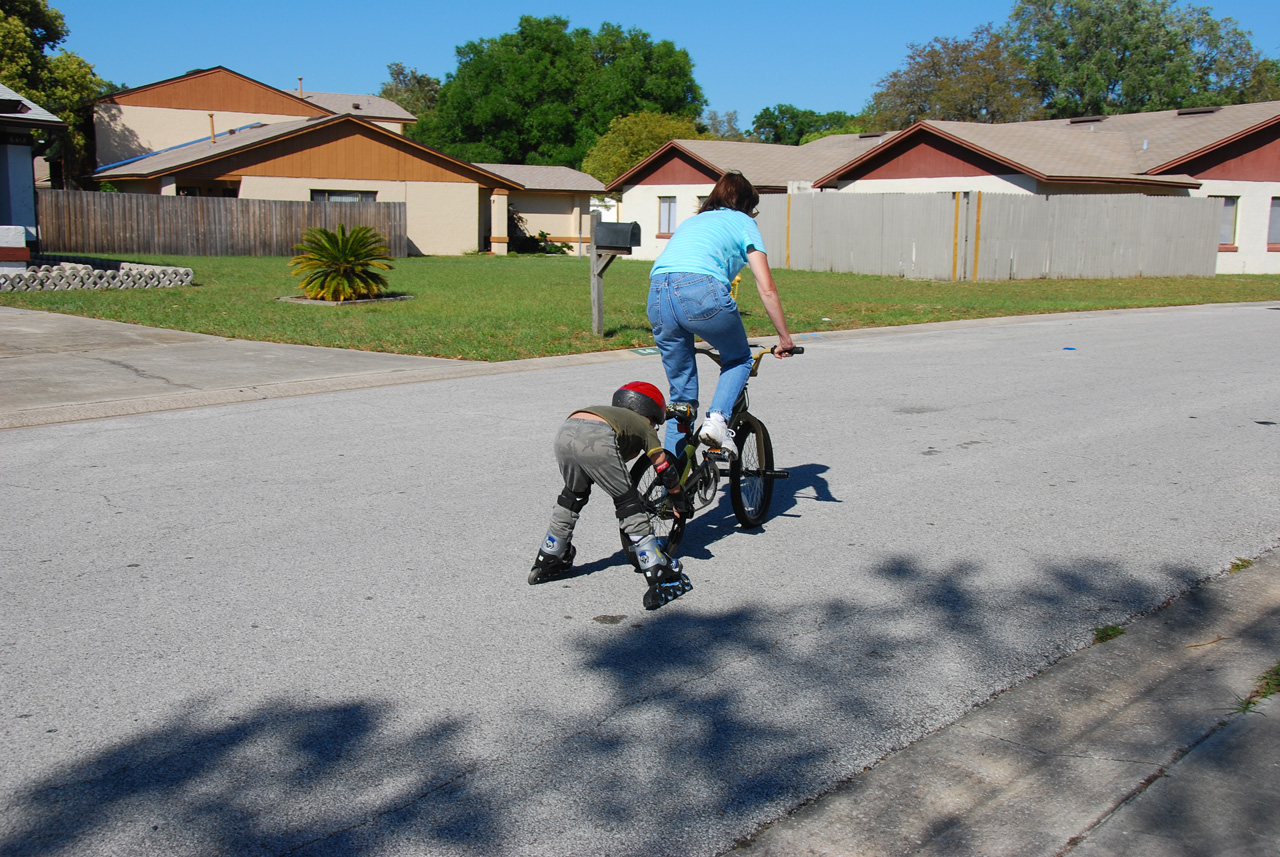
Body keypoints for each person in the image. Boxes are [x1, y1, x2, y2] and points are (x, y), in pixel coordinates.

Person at [648, 171, 796, 458]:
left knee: (682, 401)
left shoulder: (691, 221)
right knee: (739, 358)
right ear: (746, 204)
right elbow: (766, 288)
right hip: (700, 290)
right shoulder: (744, 222)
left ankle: (671, 489)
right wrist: (784, 338)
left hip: (657, 294)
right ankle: (717, 420)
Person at [530, 381, 693, 610]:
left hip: (566, 431)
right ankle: (656, 567)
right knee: (628, 502)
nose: (654, 427)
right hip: (599, 438)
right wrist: (678, 497)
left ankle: (551, 553)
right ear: (650, 412)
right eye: (656, 422)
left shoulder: (615, 414)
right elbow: (663, 466)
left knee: (573, 496)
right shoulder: (643, 424)